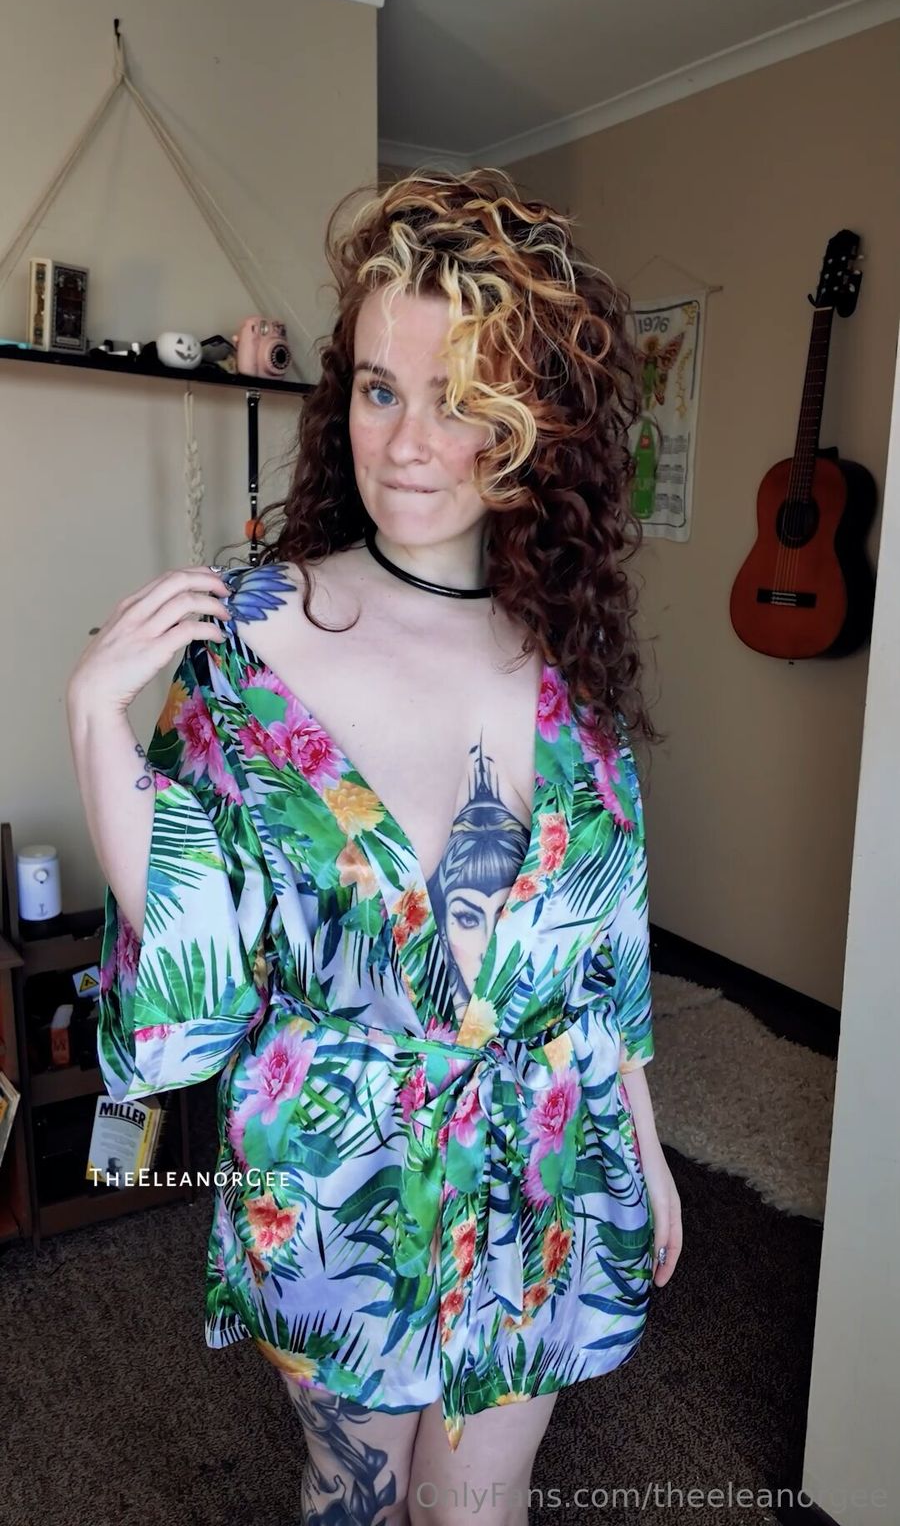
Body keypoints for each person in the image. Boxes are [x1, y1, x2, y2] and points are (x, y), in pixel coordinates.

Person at [66, 167, 682, 1526]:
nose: (407, 442)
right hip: (332, 1177)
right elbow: (193, 969)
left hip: (546, 1164)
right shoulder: (249, 640)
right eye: (379, 389)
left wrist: (642, 1142)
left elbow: (608, 942)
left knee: (479, 1510)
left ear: (526, 427)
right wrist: (96, 721)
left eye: (457, 398)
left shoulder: (563, 656)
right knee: (356, 1500)